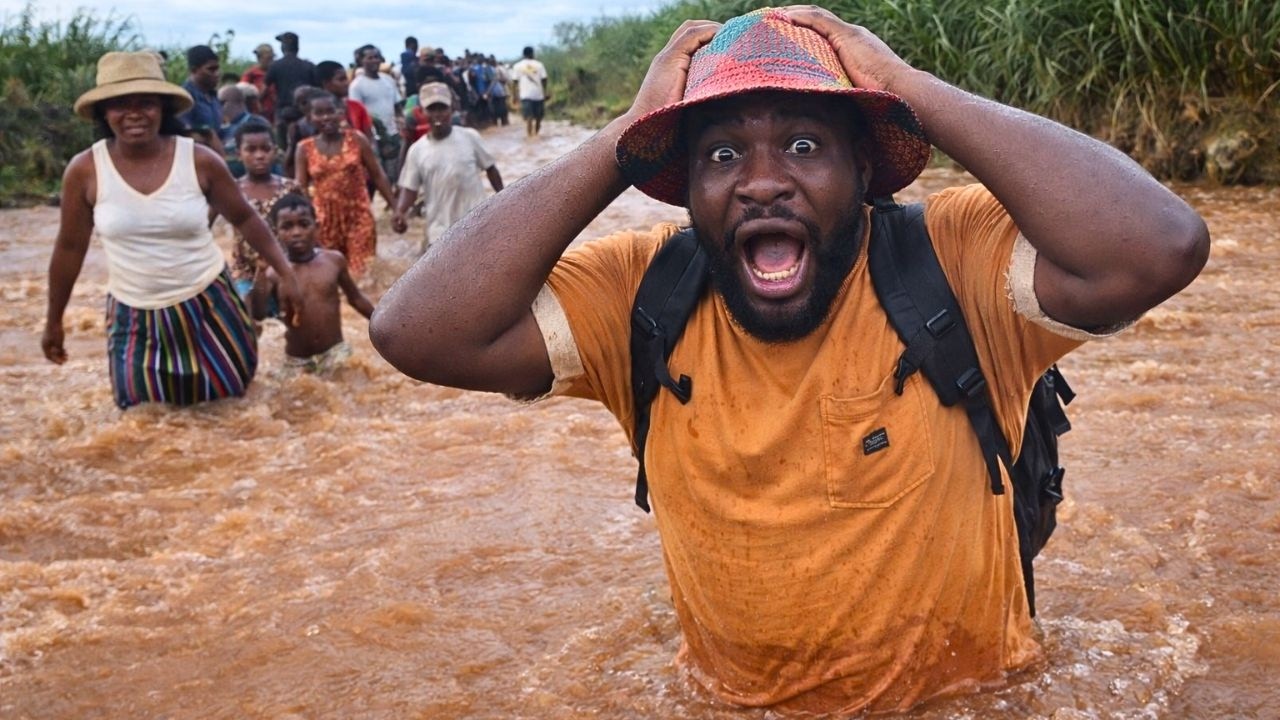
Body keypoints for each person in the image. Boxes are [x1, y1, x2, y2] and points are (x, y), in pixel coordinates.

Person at [369, 7, 1210, 715]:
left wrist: (907, 88)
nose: (761, 184)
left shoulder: (953, 264)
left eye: (805, 145)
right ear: (687, 186)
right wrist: (623, 137)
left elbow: (1156, 249)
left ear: (864, 172)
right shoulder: (640, 296)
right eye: (722, 154)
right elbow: (418, 333)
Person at [43, 51, 302, 409]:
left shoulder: (198, 160)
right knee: (142, 422)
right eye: (120, 104)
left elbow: (245, 219)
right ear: (104, 112)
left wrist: (287, 274)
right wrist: (53, 321)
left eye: (146, 103)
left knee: (232, 414)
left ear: (162, 108)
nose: (134, 113)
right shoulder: (85, 170)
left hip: (210, 307)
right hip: (133, 318)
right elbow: (70, 248)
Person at [252, 193, 374, 375]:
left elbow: (355, 298)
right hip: (296, 361)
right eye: (287, 227)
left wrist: (382, 323)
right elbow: (258, 313)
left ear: (316, 227)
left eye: (304, 224)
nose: (296, 232)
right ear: (276, 233)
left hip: (335, 352)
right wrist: (259, 272)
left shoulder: (334, 261)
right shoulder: (273, 273)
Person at [391, 82, 503, 252]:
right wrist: (400, 212)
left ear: (452, 109)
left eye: (442, 108)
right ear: (422, 112)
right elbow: (410, 189)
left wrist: (503, 199)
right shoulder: (417, 150)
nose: (438, 114)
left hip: (477, 223)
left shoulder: (469, 137)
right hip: (440, 233)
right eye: (432, 109)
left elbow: (491, 169)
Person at [295, 92, 395, 277]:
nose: (326, 117)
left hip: (359, 217)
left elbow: (378, 175)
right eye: (319, 113)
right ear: (310, 118)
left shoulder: (356, 140)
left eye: (330, 111)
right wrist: (303, 224)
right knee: (330, 275)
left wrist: (396, 208)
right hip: (323, 221)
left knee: (362, 274)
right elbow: (301, 190)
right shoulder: (304, 149)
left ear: (340, 113)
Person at [226, 117, 303, 303]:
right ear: (239, 153)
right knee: (247, 314)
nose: (259, 155)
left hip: (285, 268)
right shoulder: (232, 190)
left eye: (265, 149)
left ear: (275, 151)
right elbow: (205, 224)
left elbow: (307, 225)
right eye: (251, 150)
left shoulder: (290, 188)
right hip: (245, 272)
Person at [349, 45, 403, 184]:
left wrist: (400, 124)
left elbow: (397, 106)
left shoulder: (388, 80)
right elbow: (356, 112)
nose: (374, 60)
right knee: (377, 175)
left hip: (392, 134)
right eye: (370, 58)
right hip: (371, 137)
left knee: (395, 172)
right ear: (361, 61)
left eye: (376, 57)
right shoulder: (357, 85)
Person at [178, 45, 224, 155]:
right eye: (211, 69)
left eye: (217, 69)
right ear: (194, 70)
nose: (217, 74)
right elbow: (184, 133)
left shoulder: (212, 96)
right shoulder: (185, 98)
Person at [265, 31, 316, 126]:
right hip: (305, 112)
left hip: (283, 112)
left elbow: (264, 89)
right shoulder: (309, 66)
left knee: (281, 140)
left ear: (282, 47)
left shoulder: (275, 66)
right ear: (297, 48)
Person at [315, 60, 374, 141]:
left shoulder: (357, 107)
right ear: (326, 84)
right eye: (341, 80)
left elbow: (370, 138)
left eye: (346, 78)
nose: (347, 83)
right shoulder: (317, 114)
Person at [510, 45, 547, 137]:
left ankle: (530, 136)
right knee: (539, 117)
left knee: (529, 117)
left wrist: (514, 96)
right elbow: (544, 79)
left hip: (525, 95)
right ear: (532, 53)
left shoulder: (517, 66)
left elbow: (514, 82)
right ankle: (536, 134)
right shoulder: (539, 65)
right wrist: (544, 92)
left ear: (523, 54)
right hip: (538, 95)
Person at [240, 43, 277, 120]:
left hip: (274, 113)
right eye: (268, 58)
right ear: (259, 58)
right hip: (256, 113)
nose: (271, 61)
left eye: (272, 58)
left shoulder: (276, 72)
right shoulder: (251, 73)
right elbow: (243, 91)